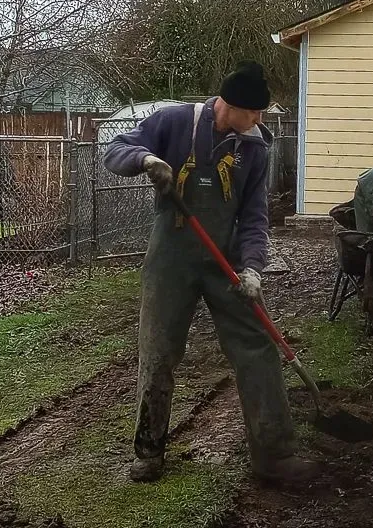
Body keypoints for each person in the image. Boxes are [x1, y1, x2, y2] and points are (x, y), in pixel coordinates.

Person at [103, 61, 317, 486]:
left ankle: (274, 455)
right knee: (158, 352)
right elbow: (116, 150)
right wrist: (146, 160)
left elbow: (255, 216)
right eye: (253, 113)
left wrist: (253, 268)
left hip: (227, 263)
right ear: (230, 104)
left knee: (258, 348)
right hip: (171, 261)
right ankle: (149, 452)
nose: (258, 121)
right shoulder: (176, 121)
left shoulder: (253, 148)